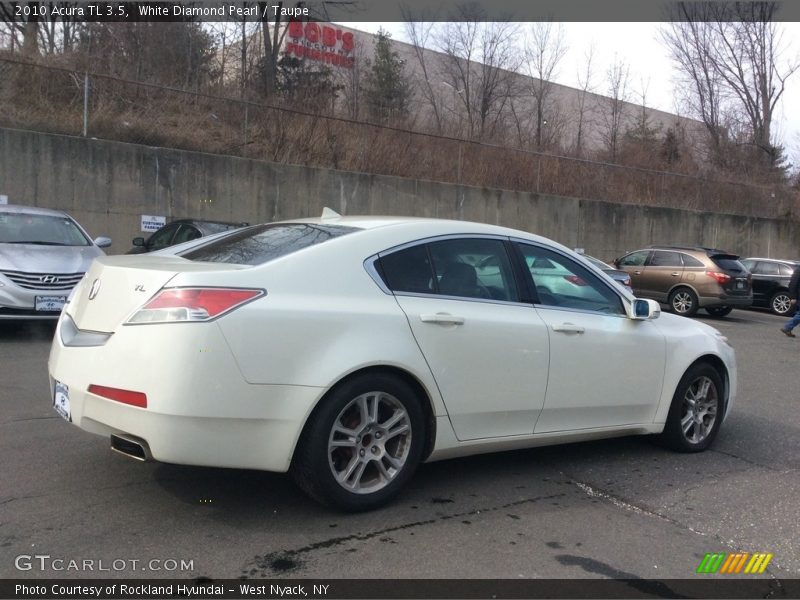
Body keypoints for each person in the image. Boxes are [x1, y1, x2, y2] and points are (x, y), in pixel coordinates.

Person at [780, 264, 800, 337]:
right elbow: (792, 284)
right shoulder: (798, 270)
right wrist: (793, 297)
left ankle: (788, 328)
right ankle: (787, 327)